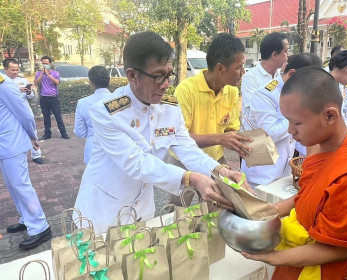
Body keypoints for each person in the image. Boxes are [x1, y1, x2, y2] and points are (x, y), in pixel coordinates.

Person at [74, 31, 249, 234]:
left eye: (169, 75)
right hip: (103, 214)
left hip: (143, 211)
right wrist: (192, 178)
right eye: (158, 76)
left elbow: (186, 147)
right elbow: (137, 163)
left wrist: (219, 170)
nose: (166, 84)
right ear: (132, 75)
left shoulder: (169, 107)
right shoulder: (107, 113)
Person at [242, 67, 347, 279]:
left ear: (330, 116)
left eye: (297, 122)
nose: (290, 130)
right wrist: (270, 210)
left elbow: (342, 249)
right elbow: (309, 196)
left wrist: (272, 257)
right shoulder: (317, 147)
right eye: (287, 120)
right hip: (295, 262)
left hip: (327, 271)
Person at [167, 33, 252, 207]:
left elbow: (229, 129)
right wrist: (220, 138)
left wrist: (240, 142)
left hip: (216, 161)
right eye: (239, 67)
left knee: (216, 211)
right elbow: (178, 139)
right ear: (220, 68)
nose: (243, 72)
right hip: (183, 163)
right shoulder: (186, 90)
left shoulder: (232, 91)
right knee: (178, 214)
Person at [240, 54, 322, 188]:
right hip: (262, 173)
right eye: (308, 82)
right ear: (291, 74)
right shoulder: (264, 94)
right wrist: (298, 115)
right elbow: (270, 133)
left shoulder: (297, 94)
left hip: (285, 171)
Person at [0, 75, 51, 250]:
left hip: (11, 142)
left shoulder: (4, 83)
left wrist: (32, 135)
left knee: (21, 185)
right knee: (13, 186)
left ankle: (40, 227)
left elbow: (24, 112)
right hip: (3, 144)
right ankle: (26, 219)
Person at [2, 58, 44, 164]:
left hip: (25, 111)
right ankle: (20, 156)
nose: (15, 72)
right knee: (16, 136)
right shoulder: (3, 83)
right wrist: (17, 91)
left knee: (32, 132)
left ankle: (36, 154)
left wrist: (29, 92)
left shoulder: (22, 80)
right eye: (12, 70)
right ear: (5, 69)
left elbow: (30, 96)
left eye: (17, 70)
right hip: (11, 116)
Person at [241, 32, 289, 117]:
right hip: (256, 129)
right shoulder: (251, 77)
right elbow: (256, 108)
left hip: (278, 127)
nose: (288, 55)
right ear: (274, 55)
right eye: (285, 51)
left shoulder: (280, 75)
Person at [74, 66, 111, 164]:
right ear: (109, 80)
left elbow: (80, 132)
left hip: (93, 149)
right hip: (117, 149)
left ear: (91, 83)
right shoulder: (120, 101)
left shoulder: (82, 103)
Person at [34, 56, 70, 140]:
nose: (45, 65)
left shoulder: (55, 73)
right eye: (43, 63)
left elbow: (57, 82)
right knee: (46, 117)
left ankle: (63, 133)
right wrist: (42, 74)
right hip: (44, 97)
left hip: (53, 98)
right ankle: (47, 134)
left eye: (46, 63)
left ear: (50, 64)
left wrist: (48, 74)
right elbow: (36, 82)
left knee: (58, 116)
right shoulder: (39, 73)